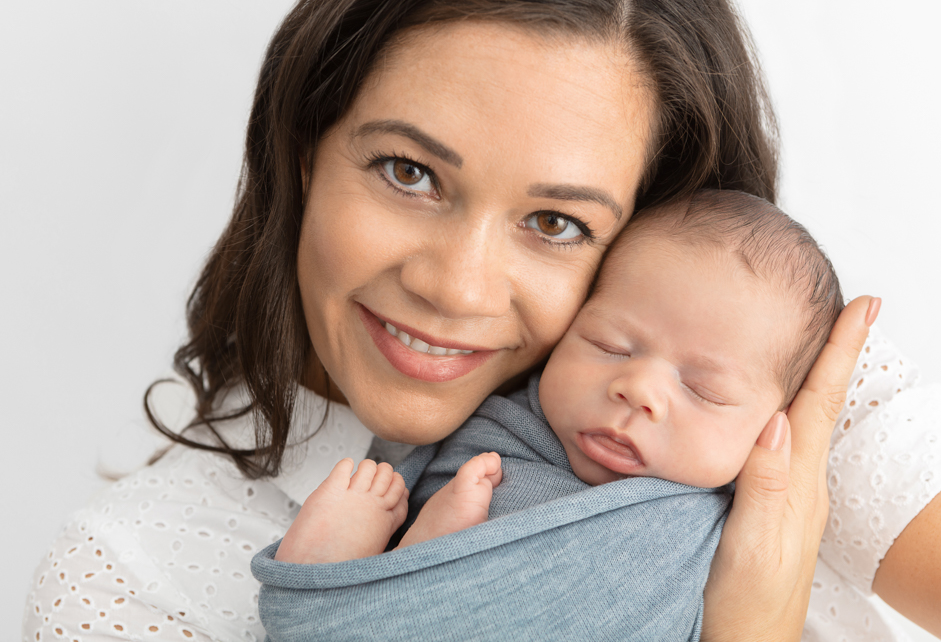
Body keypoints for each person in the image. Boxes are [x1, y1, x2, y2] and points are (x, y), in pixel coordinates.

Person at [20, 0, 941, 641]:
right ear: (305, 149)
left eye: (555, 221)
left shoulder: (761, 382)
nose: (456, 285)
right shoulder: (132, 578)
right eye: (408, 172)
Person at [255, 191, 843, 641]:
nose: (638, 389)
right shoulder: (495, 423)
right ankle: (332, 571)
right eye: (610, 345)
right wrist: (415, 546)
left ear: (773, 428)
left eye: (704, 390)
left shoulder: (733, 533)